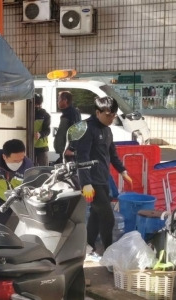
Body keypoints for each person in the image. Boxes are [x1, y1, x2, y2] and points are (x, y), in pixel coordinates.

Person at [75, 96, 132, 255]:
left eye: (113, 115)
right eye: (108, 115)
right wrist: (85, 182)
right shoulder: (87, 128)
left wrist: (123, 170)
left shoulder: (107, 129)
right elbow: (82, 157)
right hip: (91, 182)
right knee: (108, 218)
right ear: (97, 112)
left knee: (96, 215)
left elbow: (112, 153)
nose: (111, 118)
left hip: (103, 178)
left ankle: (88, 245)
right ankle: (109, 252)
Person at [53, 91, 81, 163]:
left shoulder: (72, 113)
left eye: (59, 100)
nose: (57, 102)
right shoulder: (67, 113)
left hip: (68, 152)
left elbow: (76, 131)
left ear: (65, 100)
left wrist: (71, 148)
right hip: (64, 151)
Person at [33, 93, 51, 166]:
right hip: (29, 146)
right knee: (30, 169)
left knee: (44, 169)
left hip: (42, 147)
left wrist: (40, 134)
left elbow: (47, 130)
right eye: (35, 104)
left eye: (38, 104)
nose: (37, 106)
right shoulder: (27, 112)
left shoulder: (45, 115)